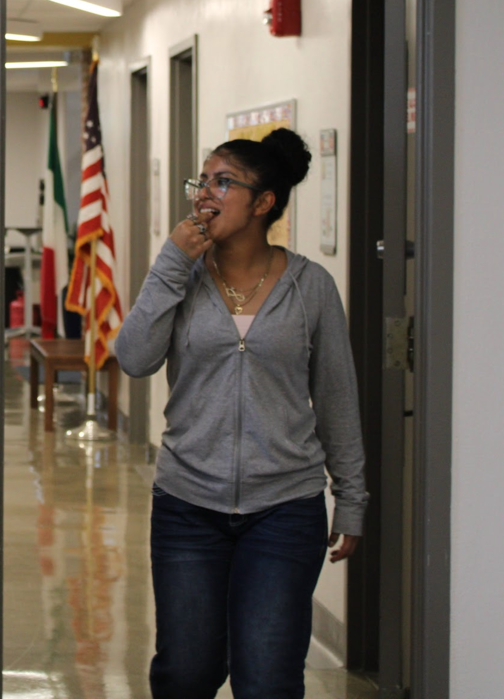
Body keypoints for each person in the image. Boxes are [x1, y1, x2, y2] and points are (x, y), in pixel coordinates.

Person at [115, 129, 367, 699]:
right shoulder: (183, 277)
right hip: (187, 504)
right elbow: (133, 359)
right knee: (185, 672)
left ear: (263, 202)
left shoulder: (311, 288)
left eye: (222, 182)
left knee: (268, 678)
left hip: (284, 508)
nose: (204, 195)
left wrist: (351, 498)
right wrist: (171, 263)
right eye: (200, 181)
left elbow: (336, 397)